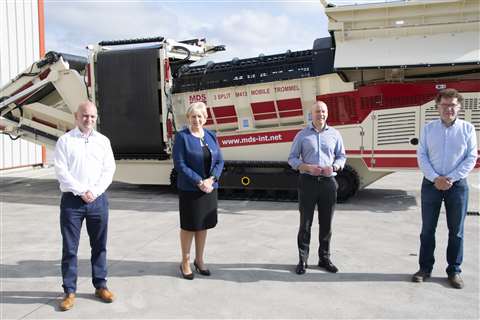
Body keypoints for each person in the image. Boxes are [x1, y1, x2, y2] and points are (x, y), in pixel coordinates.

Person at [54, 101, 116, 311]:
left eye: (92, 116)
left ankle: (100, 285)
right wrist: (82, 191)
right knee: (70, 248)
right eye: (84, 116)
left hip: (98, 200)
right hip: (72, 201)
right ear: (76, 116)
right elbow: (62, 172)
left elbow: (109, 170)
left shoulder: (103, 141)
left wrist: (95, 191)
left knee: (99, 246)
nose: (88, 120)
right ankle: (69, 291)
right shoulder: (65, 141)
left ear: (96, 117)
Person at [413, 88, 477, 289]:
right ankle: (425, 268)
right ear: (437, 107)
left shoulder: (468, 129)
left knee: (456, 231)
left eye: (453, 105)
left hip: (457, 186)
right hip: (431, 185)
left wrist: (451, 178)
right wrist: (435, 178)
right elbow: (421, 155)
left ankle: (454, 271)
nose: (449, 109)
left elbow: (471, 157)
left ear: (459, 107)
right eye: (445, 105)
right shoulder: (428, 129)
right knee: (427, 230)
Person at [288, 101, 346, 275]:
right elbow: (292, 159)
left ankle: (324, 258)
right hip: (308, 182)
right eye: (317, 111)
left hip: (328, 183)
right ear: (311, 114)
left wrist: (334, 167)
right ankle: (303, 260)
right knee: (305, 223)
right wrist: (306, 167)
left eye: (323, 111)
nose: (320, 114)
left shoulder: (335, 134)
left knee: (326, 224)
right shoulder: (302, 135)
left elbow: (342, 156)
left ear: (327, 114)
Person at [172, 101, 224, 280]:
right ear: (188, 118)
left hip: (209, 189)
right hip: (190, 189)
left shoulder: (210, 135)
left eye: (200, 116)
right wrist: (199, 181)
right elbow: (180, 164)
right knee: (188, 226)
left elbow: (220, 161)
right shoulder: (182, 137)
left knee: (203, 225)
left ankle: (199, 260)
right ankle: (185, 262)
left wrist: (212, 179)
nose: (196, 119)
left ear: (205, 118)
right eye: (193, 116)